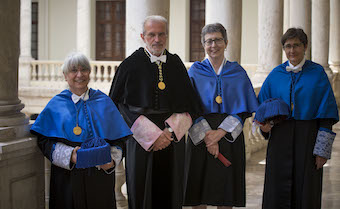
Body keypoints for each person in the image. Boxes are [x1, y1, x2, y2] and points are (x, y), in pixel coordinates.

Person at [109, 15, 201, 209]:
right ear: (143, 36)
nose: (157, 39)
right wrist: (151, 136)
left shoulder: (176, 64)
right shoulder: (129, 65)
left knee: (171, 191)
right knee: (142, 193)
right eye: (152, 35)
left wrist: (168, 132)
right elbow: (118, 106)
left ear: (166, 36)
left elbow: (190, 106)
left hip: (172, 139)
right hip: (141, 141)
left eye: (161, 34)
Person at [30, 52, 132, 209]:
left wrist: (110, 162)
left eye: (84, 69)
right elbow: (44, 141)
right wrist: (70, 156)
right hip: (67, 176)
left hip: (99, 177)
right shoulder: (56, 103)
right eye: (73, 70)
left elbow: (119, 140)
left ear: (89, 73)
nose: (79, 74)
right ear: (65, 75)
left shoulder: (104, 101)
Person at [258, 28, 339, 209]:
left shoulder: (318, 73)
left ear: (305, 47)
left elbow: (327, 116)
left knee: (306, 189)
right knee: (276, 190)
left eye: (296, 45)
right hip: (280, 139)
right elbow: (261, 110)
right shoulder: (275, 75)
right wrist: (263, 127)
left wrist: (322, 152)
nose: (292, 50)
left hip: (308, 138)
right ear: (283, 49)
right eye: (288, 46)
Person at [183, 23, 259, 209]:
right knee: (198, 192)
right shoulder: (195, 71)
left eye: (217, 40)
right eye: (209, 41)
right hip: (200, 136)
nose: (213, 45)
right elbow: (189, 107)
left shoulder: (237, 72)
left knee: (226, 193)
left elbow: (243, 111)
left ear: (226, 43)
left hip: (229, 137)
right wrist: (208, 137)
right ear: (203, 45)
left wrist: (219, 133)